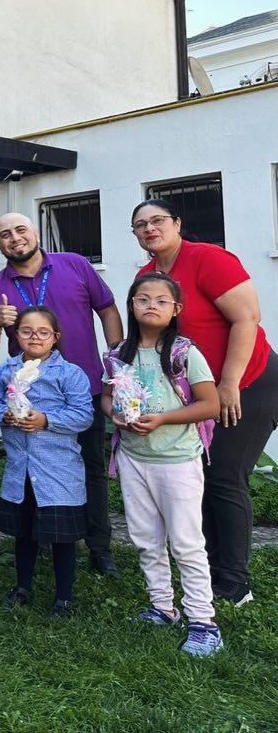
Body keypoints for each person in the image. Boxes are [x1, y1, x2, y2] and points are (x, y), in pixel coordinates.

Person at [132, 198, 278, 606]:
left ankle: (235, 585)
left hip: (249, 382)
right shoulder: (148, 275)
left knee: (225, 478)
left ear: (177, 223)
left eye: (157, 220)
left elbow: (247, 318)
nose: (149, 228)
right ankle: (212, 572)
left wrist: (229, 382)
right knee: (202, 480)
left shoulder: (208, 258)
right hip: (202, 393)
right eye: (140, 225)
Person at [0, 212, 124, 579]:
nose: (15, 238)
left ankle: (99, 548)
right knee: (32, 468)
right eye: (5, 234)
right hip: (30, 399)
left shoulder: (74, 264)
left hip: (83, 387)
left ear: (36, 233)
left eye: (20, 230)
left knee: (90, 470)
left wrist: (116, 359)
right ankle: (43, 538)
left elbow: (107, 309)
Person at [101, 273, 223, 657]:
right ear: (131, 305)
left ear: (176, 311)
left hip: (177, 460)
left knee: (186, 543)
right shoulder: (119, 354)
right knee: (145, 539)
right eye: (142, 299)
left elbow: (209, 405)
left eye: (160, 300)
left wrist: (162, 419)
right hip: (135, 459)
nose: (151, 305)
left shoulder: (185, 353)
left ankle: (203, 621)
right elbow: (106, 397)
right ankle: (162, 606)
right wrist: (115, 415)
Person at [0, 307, 94, 616]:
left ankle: (64, 596)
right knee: (24, 531)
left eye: (43, 332)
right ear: (16, 336)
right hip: (21, 471)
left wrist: (46, 420)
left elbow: (83, 415)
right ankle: (23, 586)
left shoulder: (69, 373)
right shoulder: (7, 371)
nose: (35, 337)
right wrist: (2, 414)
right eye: (27, 331)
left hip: (59, 471)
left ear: (55, 338)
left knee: (62, 537)